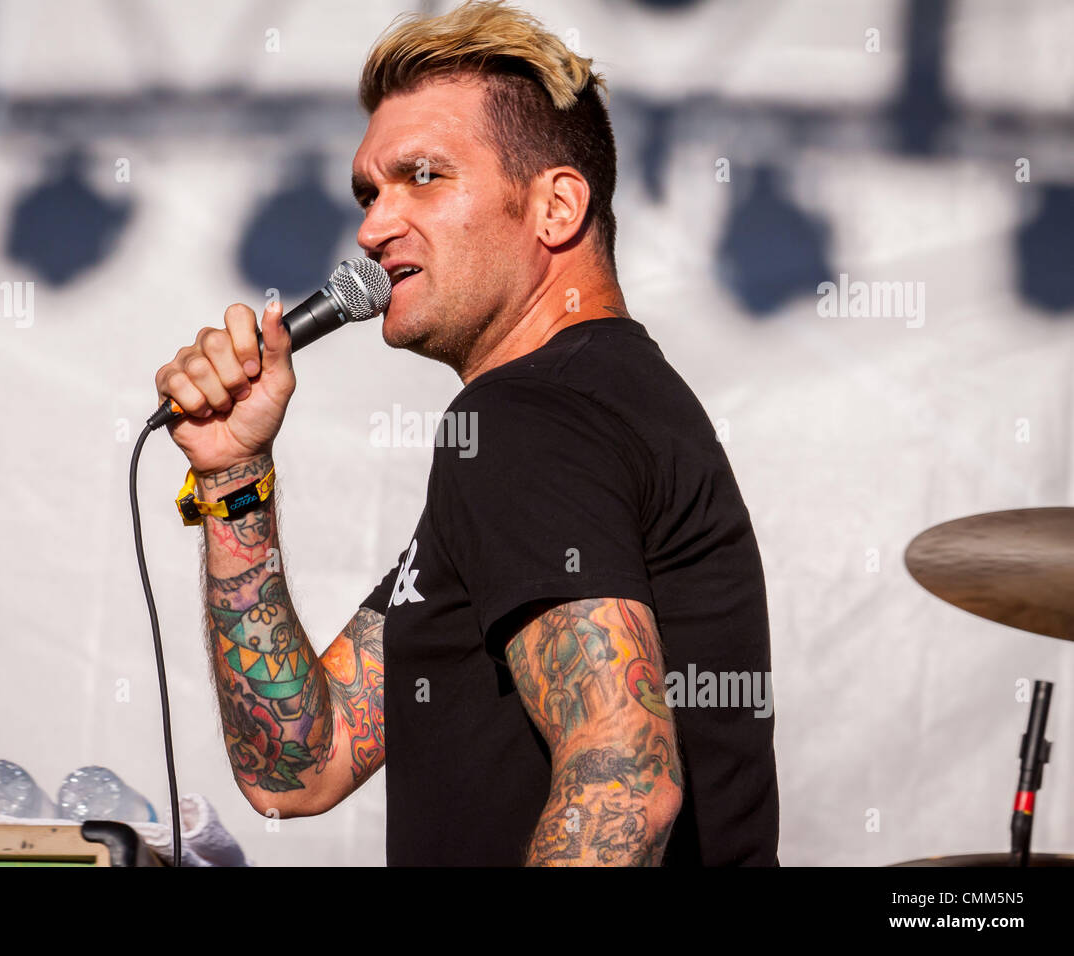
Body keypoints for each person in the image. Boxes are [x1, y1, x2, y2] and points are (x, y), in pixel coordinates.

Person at [154, 0, 779, 866]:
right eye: (370, 192)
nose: (373, 228)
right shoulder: (575, 413)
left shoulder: (529, 420)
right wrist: (232, 476)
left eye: (425, 177)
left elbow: (625, 783)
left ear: (556, 207)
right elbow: (300, 766)